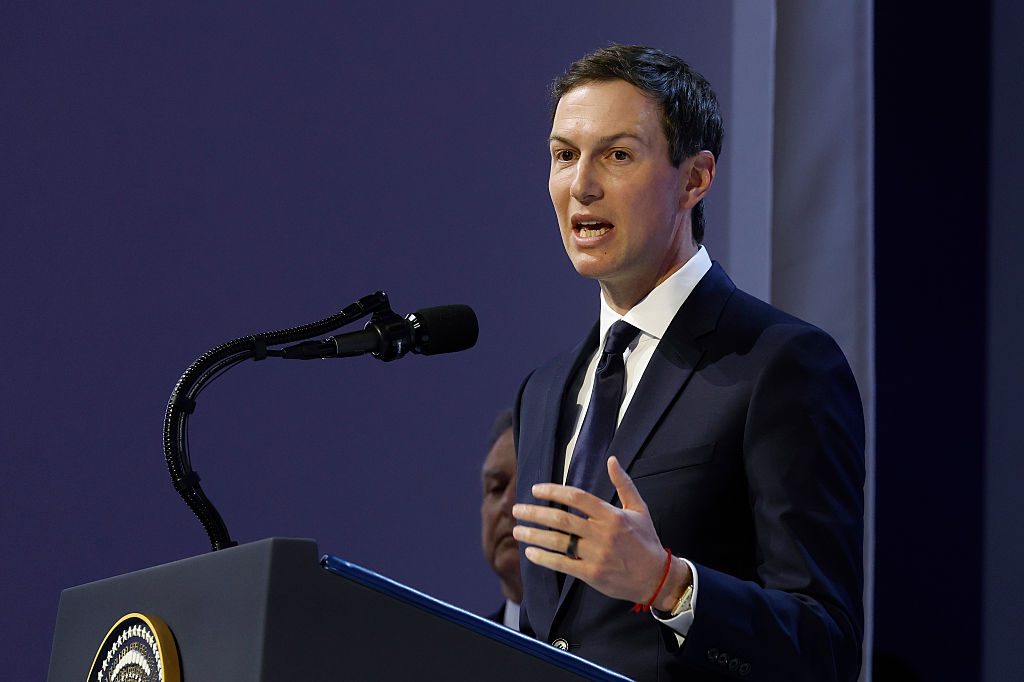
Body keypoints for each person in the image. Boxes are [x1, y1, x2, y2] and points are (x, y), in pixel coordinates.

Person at [510, 45, 865, 681]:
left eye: (617, 155)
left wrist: (668, 584)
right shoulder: (544, 391)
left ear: (695, 179)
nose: (581, 185)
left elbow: (826, 648)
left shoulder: (780, 364)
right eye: (565, 155)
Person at [480, 408, 522, 630]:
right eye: (497, 488)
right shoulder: (456, 648)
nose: (508, 503)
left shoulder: (622, 645)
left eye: (528, 484)